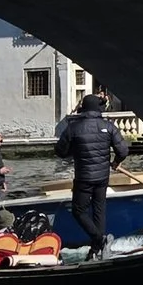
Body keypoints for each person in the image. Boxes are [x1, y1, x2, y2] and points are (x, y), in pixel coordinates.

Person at [53, 93, 129, 261]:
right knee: (99, 211)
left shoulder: (74, 127)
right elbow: (123, 151)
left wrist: (74, 150)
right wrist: (116, 162)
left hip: (84, 177)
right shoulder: (109, 127)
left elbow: (60, 151)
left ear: (84, 108)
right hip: (102, 177)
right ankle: (96, 249)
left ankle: (98, 240)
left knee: (78, 211)